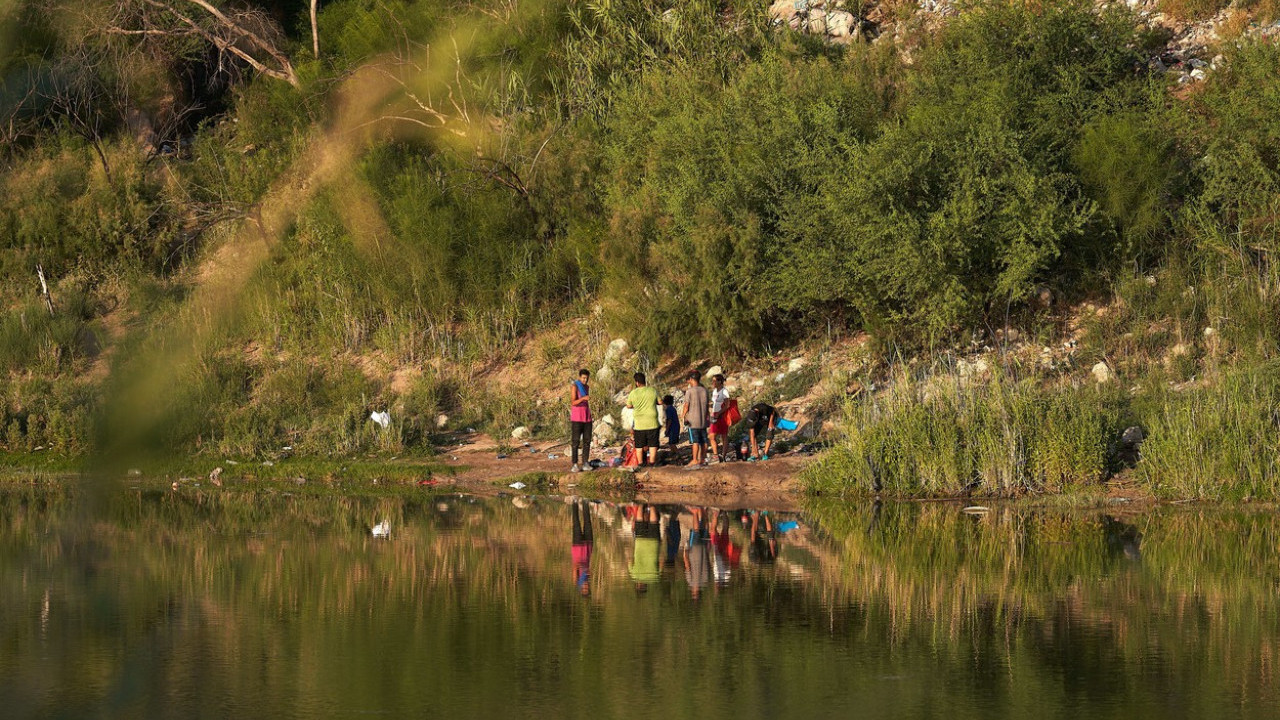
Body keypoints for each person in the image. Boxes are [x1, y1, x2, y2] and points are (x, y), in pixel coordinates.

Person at [625, 372, 661, 467]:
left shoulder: (633, 393)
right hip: (652, 422)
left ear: (637, 382)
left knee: (639, 446)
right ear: (644, 381)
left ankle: (641, 464)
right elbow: (660, 402)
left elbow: (628, 406)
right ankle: (652, 463)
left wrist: (635, 405)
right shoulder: (653, 390)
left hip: (639, 424)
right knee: (653, 444)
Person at [628, 504, 661, 592]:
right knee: (639, 522)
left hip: (653, 544)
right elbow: (629, 560)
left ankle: (653, 505)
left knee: (654, 524)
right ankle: (641, 504)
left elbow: (661, 563)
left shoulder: (654, 577)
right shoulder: (634, 575)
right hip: (640, 542)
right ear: (638, 585)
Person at [681, 371, 709, 468]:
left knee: (695, 441)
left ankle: (695, 460)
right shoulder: (705, 390)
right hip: (703, 420)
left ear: (692, 379)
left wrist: (683, 415)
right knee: (704, 441)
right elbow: (706, 405)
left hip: (693, 421)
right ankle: (703, 459)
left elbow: (686, 405)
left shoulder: (690, 391)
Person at [569, 369, 593, 473]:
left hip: (587, 417)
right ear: (579, 377)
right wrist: (583, 398)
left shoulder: (587, 387)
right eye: (583, 378)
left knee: (587, 441)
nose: (585, 380)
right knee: (575, 441)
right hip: (577, 418)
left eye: (586, 378)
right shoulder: (575, 386)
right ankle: (574, 464)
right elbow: (573, 402)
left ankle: (585, 463)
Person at [708, 374, 732, 463]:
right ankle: (716, 455)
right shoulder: (714, 391)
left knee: (724, 436)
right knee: (712, 435)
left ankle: (723, 455)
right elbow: (715, 403)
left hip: (722, 415)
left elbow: (727, 405)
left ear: (719, 381)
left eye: (714, 381)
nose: (713, 382)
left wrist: (719, 413)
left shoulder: (724, 391)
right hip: (714, 414)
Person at [571, 499, 593, 596]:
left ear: (581, 589)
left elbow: (575, 566)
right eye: (587, 588)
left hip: (578, 548)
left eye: (584, 589)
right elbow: (588, 568)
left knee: (576, 523)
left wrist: (580, 567)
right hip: (588, 548)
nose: (586, 586)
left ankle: (574, 501)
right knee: (587, 522)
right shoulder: (588, 578)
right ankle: (585, 501)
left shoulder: (577, 581)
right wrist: (587, 570)